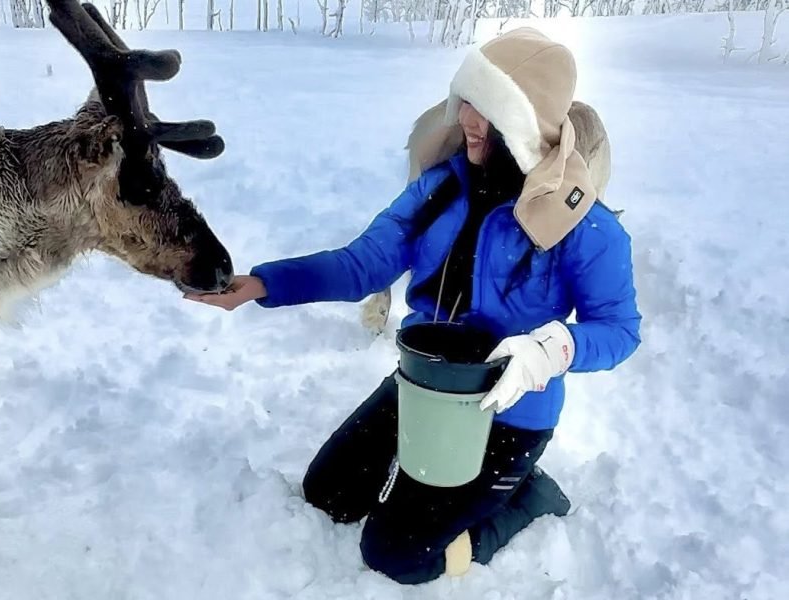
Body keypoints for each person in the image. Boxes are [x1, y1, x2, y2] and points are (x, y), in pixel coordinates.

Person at [185, 27, 642, 585]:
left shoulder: (585, 226)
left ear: (524, 126)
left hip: (508, 415)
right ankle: (441, 486)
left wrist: (553, 347)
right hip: (423, 388)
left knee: (398, 555)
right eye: (467, 101)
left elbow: (619, 330)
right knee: (329, 494)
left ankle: (528, 497)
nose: (467, 119)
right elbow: (362, 264)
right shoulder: (440, 189)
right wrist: (260, 284)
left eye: (488, 110)